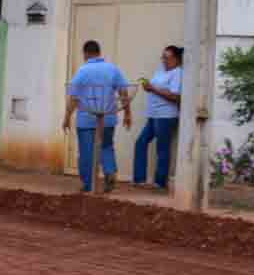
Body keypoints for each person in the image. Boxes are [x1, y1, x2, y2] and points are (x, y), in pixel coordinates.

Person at [63, 40, 131, 193]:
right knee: (106, 147)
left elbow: (74, 97)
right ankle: (109, 172)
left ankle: (88, 185)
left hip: (86, 119)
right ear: (99, 52)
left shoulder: (83, 71)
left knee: (86, 152)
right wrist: (128, 113)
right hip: (107, 118)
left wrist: (67, 116)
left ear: (86, 53)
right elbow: (123, 93)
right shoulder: (113, 69)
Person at [132, 45, 183, 191]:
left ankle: (160, 183)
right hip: (154, 115)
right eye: (163, 57)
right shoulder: (161, 70)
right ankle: (139, 179)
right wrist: (148, 85)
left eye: (167, 58)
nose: (164, 60)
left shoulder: (178, 73)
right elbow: (156, 87)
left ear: (176, 59)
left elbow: (175, 96)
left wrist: (153, 89)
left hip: (166, 116)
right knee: (141, 142)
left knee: (162, 148)